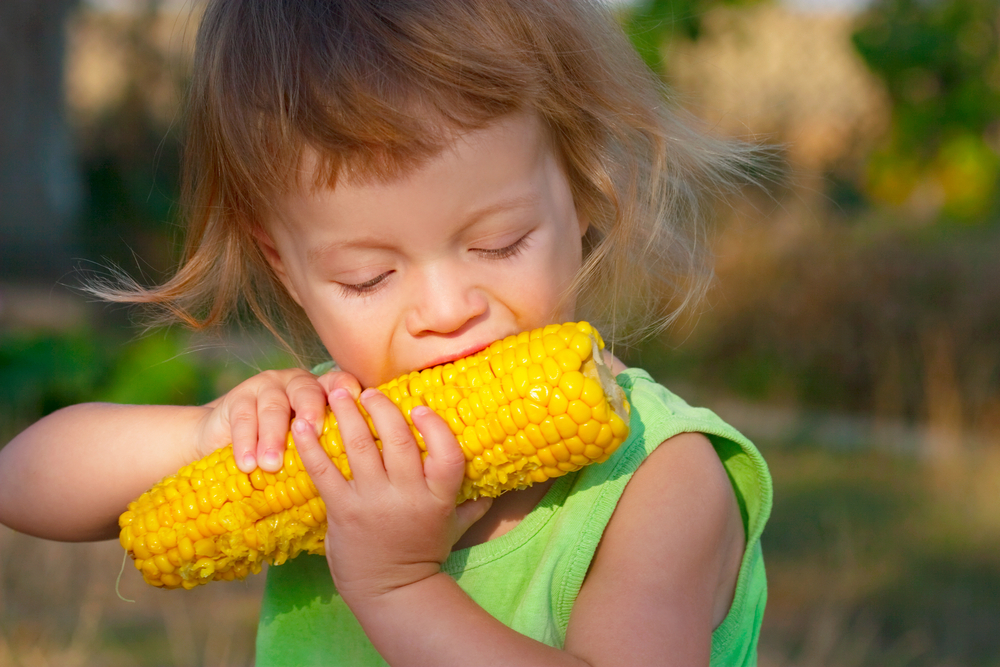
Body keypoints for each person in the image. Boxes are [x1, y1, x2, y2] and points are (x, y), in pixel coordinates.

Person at [0, 0, 772, 665]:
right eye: (368, 277)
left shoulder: (660, 481)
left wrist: (400, 587)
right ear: (286, 264)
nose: (444, 308)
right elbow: (22, 484)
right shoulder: (337, 426)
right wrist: (206, 433)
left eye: (500, 241)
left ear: (583, 192)